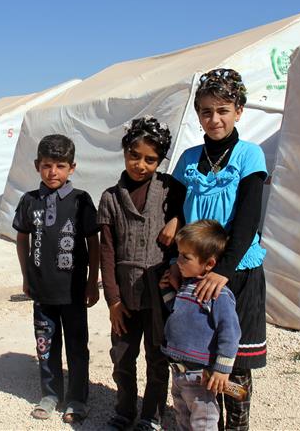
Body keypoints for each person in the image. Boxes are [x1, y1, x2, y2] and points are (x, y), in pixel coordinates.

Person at [170, 68, 268, 430]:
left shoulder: (249, 156)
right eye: (207, 111)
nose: (215, 119)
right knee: (201, 357)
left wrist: (223, 271)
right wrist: (175, 263)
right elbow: (175, 212)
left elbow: (248, 220)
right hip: (195, 272)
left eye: (223, 110)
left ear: (239, 111)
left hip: (236, 272)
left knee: (235, 363)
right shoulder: (188, 159)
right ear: (198, 114)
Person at [97, 116, 184, 431]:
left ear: (160, 161)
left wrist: (176, 219)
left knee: (157, 357)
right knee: (122, 356)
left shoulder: (170, 189)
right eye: (134, 156)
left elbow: (188, 214)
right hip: (125, 295)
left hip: (160, 294)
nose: (141, 165)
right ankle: (124, 411)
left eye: (150, 159)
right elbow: (107, 252)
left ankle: (151, 416)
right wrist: (113, 301)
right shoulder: (110, 198)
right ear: (124, 152)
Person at [13, 134, 100, 424]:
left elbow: (93, 243)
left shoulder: (80, 200)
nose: (53, 172)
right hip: (42, 290)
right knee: (45, 344)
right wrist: (26, 275)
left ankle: (77, 398)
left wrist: (92, 281)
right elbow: (22, 238)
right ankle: (50, 394)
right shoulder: (29, 201)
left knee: (77, 345)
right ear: (37, 165)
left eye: (60, 166)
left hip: (73, 290)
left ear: (71, 168)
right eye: (47, 165)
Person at [160, 220, 240, 431]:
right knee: (183, 418)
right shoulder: (186, 285)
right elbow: (179, 313)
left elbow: (230, 333)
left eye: (185, 257)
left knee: (203, 422)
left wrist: (222, 369)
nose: (178, 261)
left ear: (210, 263)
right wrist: (166, 291)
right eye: (179, 254)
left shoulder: (218, 295)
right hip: (178, 372)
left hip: (200, 376)